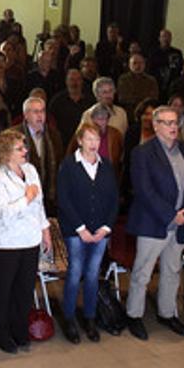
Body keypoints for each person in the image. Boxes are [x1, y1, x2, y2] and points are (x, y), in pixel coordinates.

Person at [124, 106, 184, 341]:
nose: (172, 127)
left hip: (182, 224)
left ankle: (167, 313)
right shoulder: (142, 153)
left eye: (175, 122)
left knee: (172, 270)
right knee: (143, 272)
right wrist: (171, 215)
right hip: (153, 222)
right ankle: (134, 315)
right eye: (166, 122)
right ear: (155, 125)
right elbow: (143, 190)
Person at [0, 129, 51, 353]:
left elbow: (39, 204)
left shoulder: (30, 170)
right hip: (6, 244)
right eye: (19, 148)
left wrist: (45, 230)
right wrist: (27, 197)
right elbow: (2, 211)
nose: (25, 151)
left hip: (30, 239)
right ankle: (1, 334)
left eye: (25, 146)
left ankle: (20, 330)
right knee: (4, 291)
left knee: (24, 290)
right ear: (5, 153)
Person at [57, 123, 118, 344]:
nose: (93, 144)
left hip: (101, 230)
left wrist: (106, 227)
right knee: (75, 273)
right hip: (76, 231)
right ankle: (69, 317)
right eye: (89, 139)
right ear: (80, 140)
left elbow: (114, 199)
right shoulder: (68, 166)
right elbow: (63, 200)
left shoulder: (106, 166)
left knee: (93, 274)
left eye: (97, 139)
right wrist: (81, 229)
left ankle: (90, 317)